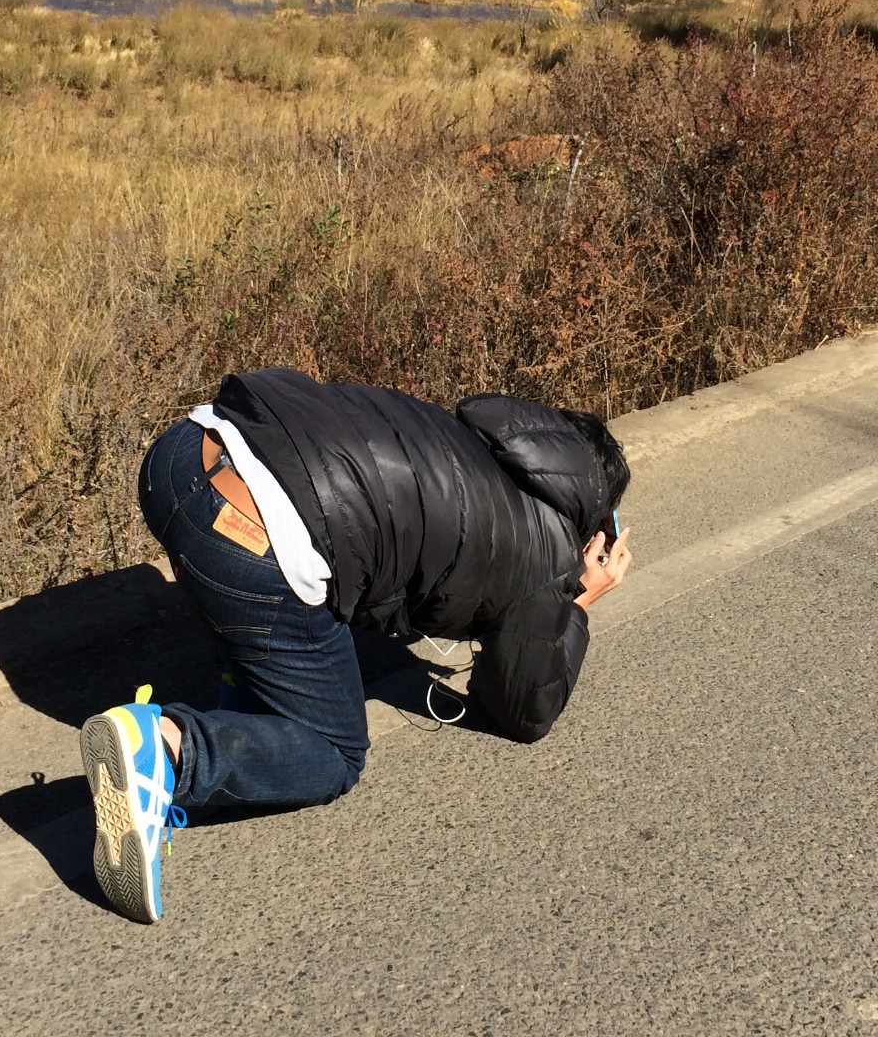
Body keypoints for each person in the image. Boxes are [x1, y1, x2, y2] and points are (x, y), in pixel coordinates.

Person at [81, 366, 635, 924]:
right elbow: (522, 709)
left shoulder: (475, 438)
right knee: (336, 754)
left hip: (181, 455)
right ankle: (165, 748)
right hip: (244, 534)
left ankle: (249, 678)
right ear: (596, 522)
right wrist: (579, 601)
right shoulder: (547, 549)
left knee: (316, 580)